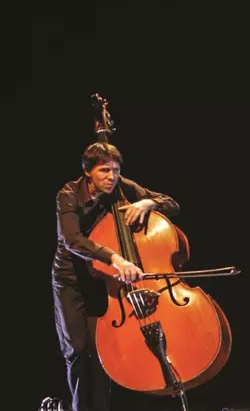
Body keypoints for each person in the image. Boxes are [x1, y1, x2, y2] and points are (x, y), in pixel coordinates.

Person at [51, 142, 180, 411]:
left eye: (115, 170)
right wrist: (115, 258)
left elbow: (172, 204)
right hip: (71, 280)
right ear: (88, 172)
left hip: (106, 280)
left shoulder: (122, 186)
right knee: (77, 349)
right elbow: (72, 240)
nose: (111, 177)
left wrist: (148, 202)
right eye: (104, 171)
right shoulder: (68, 194)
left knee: (100, 352)